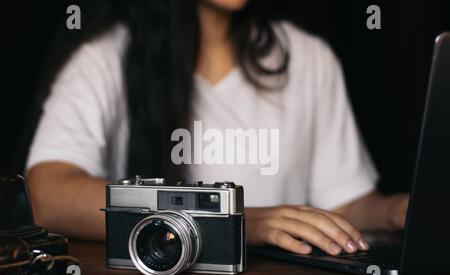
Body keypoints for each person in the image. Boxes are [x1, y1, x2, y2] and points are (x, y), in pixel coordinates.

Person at [27, 0, 409, 256]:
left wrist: (397, 210)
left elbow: (342, 204)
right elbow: (49, 196)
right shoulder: (104, 59)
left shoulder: (311, 58)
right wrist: (234, 220)